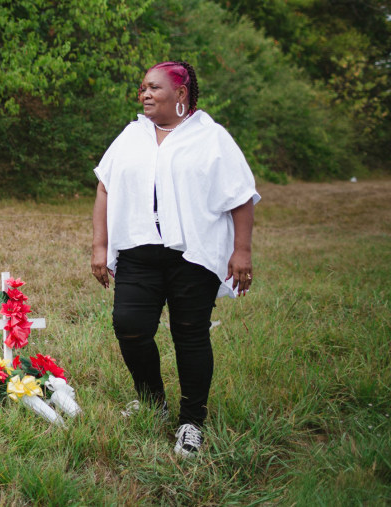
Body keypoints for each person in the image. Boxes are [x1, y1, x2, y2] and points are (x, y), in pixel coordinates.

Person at [90, 61, 260, 458]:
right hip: (138, 251)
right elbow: (105, 186)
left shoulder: (211, 137)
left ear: (181, 94)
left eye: (154, 88)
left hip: (192, 256)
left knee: (190, 334)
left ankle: (191, 421)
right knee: (129, 326)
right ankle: (152, 401)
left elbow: (240, 197)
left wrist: (242, 251)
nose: (145, 94)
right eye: (142, 88)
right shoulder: (133, 136)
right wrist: (100, 246)